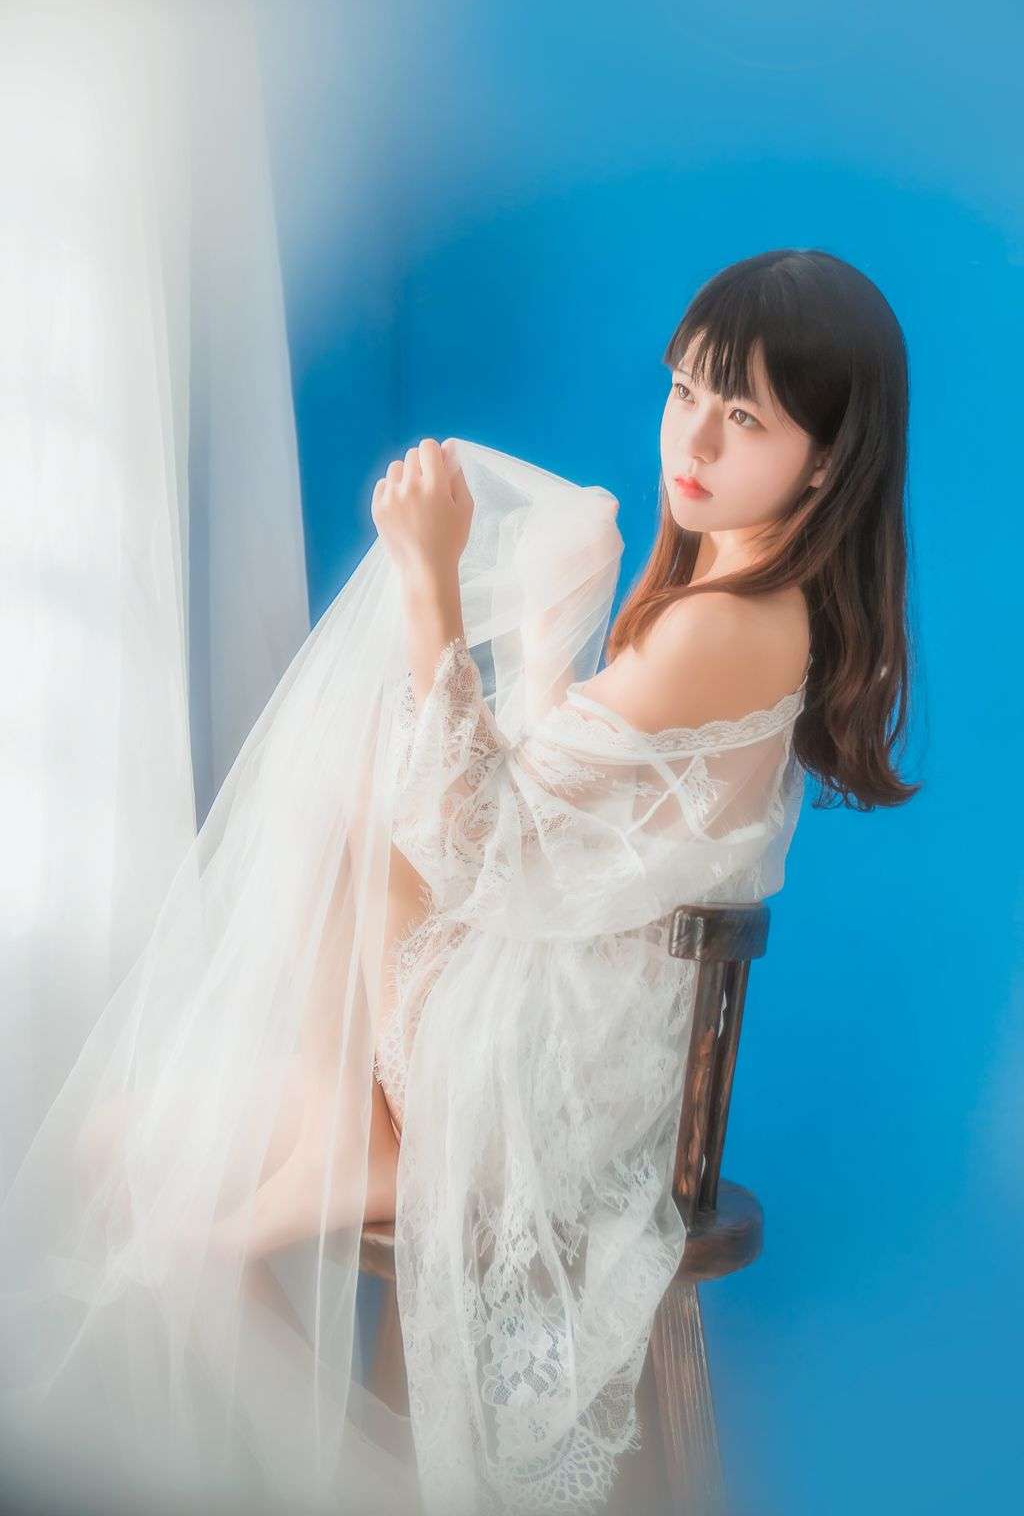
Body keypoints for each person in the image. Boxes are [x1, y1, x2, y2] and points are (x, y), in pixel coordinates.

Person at [0, 248, 920, 1516]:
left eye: (746, 417)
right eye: (685, 392)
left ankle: (353, 1139)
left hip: (557, 1078)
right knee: (125, 1156)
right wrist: (547, 633)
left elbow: (479, 846)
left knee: (350, 782)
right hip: (552, 1016)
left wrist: (432, 576)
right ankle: (342, 1286)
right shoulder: (726, 599)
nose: (694, 439)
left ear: (823, 462)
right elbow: (536, 826)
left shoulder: (725, 625)